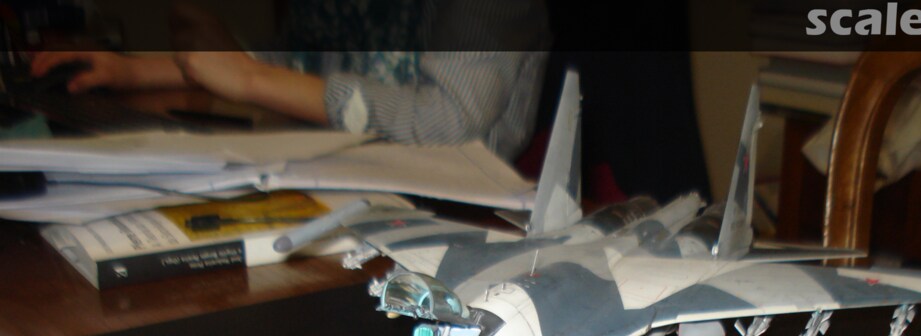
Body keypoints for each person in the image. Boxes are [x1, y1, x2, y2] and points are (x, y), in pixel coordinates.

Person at [30, 0, 550, 162]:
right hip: (347, 173)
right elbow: (298, 63)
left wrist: (252, 79)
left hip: (466, 210)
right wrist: (133, 70)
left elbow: (448, 122)